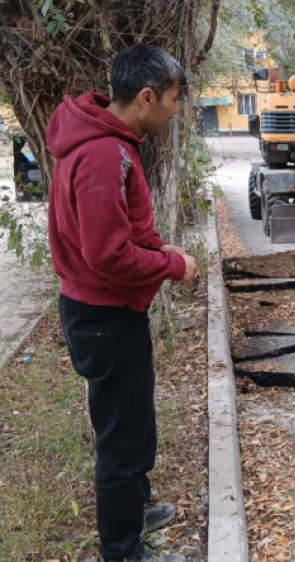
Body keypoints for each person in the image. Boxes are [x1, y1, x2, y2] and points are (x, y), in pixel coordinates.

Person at [47, 44, 197, 562]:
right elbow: (107, 253)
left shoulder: (110, 143)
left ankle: (134, 508)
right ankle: (123, 552)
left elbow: (121, 232)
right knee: (121, 442)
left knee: (135, 425)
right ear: (148, 96)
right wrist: (172, 266)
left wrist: (159, 249)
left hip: (112, 314)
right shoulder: (101, 154)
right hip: (104, 317)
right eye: (175, 100)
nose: (177, 111)